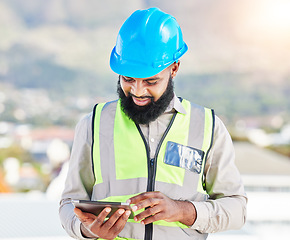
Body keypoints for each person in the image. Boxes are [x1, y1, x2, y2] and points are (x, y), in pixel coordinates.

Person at [59, 7, 247, 240]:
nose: (138, 91)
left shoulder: (208, 127)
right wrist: (86, 230)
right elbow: (68, 204)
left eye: (151, 81)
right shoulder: (93, 126)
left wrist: (183, 210)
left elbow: (237, 209)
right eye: (128, 79)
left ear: (174, 68)